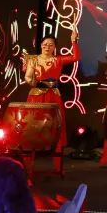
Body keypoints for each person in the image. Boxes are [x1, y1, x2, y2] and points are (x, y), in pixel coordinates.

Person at [23, 30, 79, 172]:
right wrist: (34, 82)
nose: (47, 47)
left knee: (56, 126)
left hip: (54, 96)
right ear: (41, 45)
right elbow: (28, 77)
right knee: (32, 127)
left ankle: (58, 167)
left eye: (51, 45)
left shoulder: (58, 60)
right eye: (45, 44)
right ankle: (28, 167)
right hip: (37, 96)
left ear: (54, 47)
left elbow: (75, 57)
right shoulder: (33, 60)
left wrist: (74, 41)